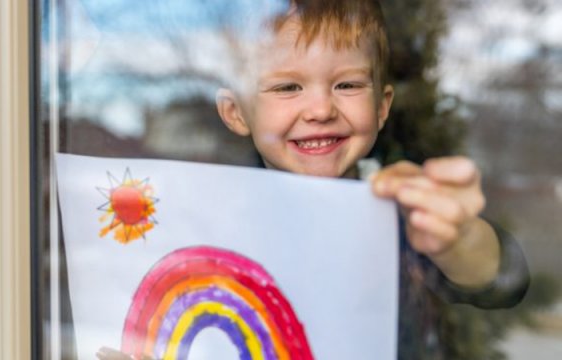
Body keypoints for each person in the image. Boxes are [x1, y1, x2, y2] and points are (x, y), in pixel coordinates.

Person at [95, 0, 528, 358]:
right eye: (287, 88)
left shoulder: (402, 213)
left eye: (347, 85)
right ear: (236, 113)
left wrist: (459, 240)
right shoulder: (215, 225)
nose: (320, 109)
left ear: (382, 106)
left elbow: (501, 282)